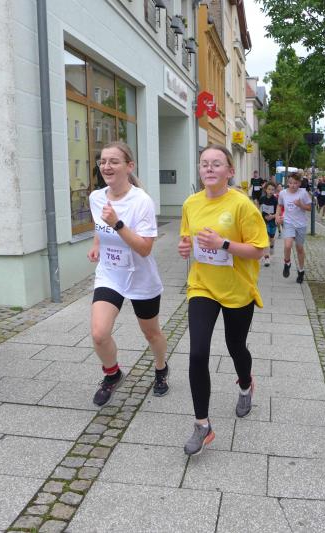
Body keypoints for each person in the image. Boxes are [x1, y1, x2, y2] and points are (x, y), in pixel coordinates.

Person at [177, 144, 268, 456]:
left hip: (237, 289)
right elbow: (187, 239)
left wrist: (223, 244)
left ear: (230, 171)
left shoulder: (242, 205)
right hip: (202, 286)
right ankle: (202, 425)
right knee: (197, 352)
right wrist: (185, 247)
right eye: (204, 163)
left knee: (235, 346)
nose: (209, 168)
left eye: (216, 163)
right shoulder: (191, 203)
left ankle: (245, 384)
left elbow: (259, 250)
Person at [87, 141, 169, 406]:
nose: (106, 166)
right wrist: (97, 244)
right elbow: (100, 226)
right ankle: (112, 374)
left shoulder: (141, 201)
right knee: (99, 333)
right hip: (110, 274)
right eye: (103, 162)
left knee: (151, 333)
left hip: (140, 277)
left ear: (129, 166)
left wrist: (118, 224)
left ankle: (161, 368)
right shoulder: (96, 197)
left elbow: (144, 249)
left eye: (114, 161)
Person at [277, 173, 313, 283]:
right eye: (290, 183)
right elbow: (279, 205)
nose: (293, 185)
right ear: (287, 183)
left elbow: (310, 208)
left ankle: (301, 271)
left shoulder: (303, 193)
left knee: (299, 248)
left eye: (295, 183)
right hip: (288, 222)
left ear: (299, 183)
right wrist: (278, 216)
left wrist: (301, 205)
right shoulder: (283, 193)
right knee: (287, 245)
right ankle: (287, 263)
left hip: (301, 225)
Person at [259, 182, 279, 267]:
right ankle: (266, 258)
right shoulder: (262, 198)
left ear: (274, 191)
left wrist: (272, 216)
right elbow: (259, 208)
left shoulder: (275, 200)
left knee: (271, 237)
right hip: (264, 221)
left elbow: (278, 212)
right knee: (266, 238)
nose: (270, 191)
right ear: (266, 190)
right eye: (269, 189)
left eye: (272, 189)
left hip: (272, 221)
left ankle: (272, 246)